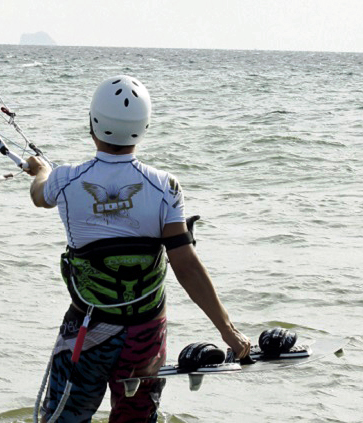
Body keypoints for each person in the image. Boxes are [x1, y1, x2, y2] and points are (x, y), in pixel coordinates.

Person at [25, 75, 251, 422]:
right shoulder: (165, 187)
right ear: (143, 127)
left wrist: (41, 170)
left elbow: (39, 196)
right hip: (145, 335)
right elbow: (186, 264)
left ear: (92, 123)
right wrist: (228, 331)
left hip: (88, 332)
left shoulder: (64, 180)